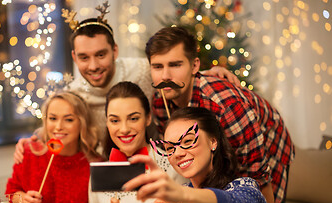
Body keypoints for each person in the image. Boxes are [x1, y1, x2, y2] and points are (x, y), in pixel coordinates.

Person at [13, 5, 238, 162]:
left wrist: (208, 71)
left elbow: (172, 73)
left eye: (100, 55)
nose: (92, 66)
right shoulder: (74, 95)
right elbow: (57, 124)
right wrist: (30, 141)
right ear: (74, 58)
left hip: (158, 159)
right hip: (110, 169)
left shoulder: (141, 70)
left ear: (115, 51)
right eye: (84, 57)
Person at [146, 26, 294, 203]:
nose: (165, 75)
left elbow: (259, 178)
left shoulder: (225, 106)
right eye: (157, 66)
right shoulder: (160, 101)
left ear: (194, 65)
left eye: (176, 65)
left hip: (269, 148)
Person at [123, 107, 273, 203]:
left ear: (213, 141)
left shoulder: (244, 188)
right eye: (170, 148)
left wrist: (184, 195)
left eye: (188, 141)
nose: (178, 153)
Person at [86, 81, 187, 203]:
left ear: (147, 118)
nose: (124, 129)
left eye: (133, 118)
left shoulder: (173, 167)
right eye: (114, 120)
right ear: (107, 122)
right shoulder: (98, 175)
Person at [6, 91, 102, 203]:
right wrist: (22, 199)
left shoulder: (96, 165)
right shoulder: (29, 153)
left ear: (82, 123)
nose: (58, 126)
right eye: (52, 118)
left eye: (68, 120)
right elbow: (11, 192)